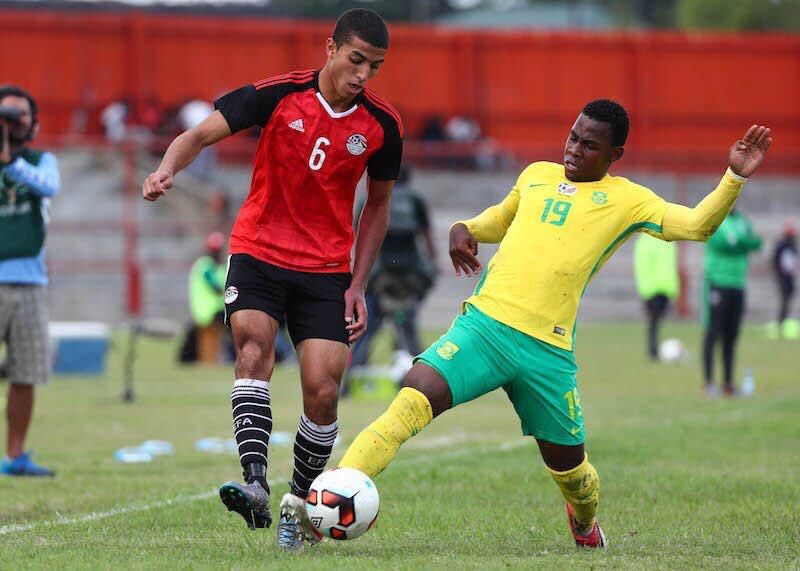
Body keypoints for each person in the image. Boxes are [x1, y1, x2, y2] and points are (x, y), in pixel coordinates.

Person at [338, 100, 772, 549]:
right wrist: (464, 226)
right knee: (413, 394)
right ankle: (332, 495)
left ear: (613, 156)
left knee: (573, 472)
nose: (574, 150)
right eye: (573, 137)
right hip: (484, 327)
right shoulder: (536, 176)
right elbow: (499, 219)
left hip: (547, 352)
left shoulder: (629, 199)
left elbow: (698, 226)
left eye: (590, 145)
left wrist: (734, 176)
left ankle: (584, 524)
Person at [141, 9, 402, 550]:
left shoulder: (383, 126)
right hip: (258, 251)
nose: (362, 75)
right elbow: (199, 134)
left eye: (374, 66)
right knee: (254, 347)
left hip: (327, 269)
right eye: (356, 60)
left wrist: (357, 284)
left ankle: (299, 508)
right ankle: (256, 483)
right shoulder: (277, 94)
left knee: (323, 389)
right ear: (330, 47)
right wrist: (168, 169)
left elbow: (377, 207)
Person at [0, 85, 60, 477]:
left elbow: (48, 186)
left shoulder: (42, 160)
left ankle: (15, 456)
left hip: (30, 283)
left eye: (18, 115)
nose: (12, 122)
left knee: (25, 373)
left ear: (33, 124)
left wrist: (8, 162)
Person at [347, 164, 437, 378]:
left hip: (378, 275)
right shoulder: (415, 200)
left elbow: (357, 234)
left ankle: (351, 377)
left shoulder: (370, 199)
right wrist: (432, 265)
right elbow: (427, 236)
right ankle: (421, 378)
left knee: (367, 328)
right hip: (408, 276)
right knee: (408, 327)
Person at [702, 209, 762, 396]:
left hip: (738, 284)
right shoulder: (715, 219)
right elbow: (721, 243)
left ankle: (728, 383)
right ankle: (709, 383)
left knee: (731, 335)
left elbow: (756, 242)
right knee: (713, 333)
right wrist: (742, 243)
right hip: (717, 283)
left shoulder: (743, 221)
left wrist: (738, 241)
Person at [633, 233, 679, 360]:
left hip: (664, 286)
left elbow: (670, 264)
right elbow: (642, 264)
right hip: (652, 287)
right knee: (654, 320)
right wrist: (646, 286)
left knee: (657, 320)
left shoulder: (668, 239)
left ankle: (654, 349)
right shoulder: (647, 240)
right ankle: (652, 350)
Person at [187, 231, 228, 365]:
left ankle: (220, 357)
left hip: (215, 311)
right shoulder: (205, 265)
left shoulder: (217, 267)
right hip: (208, 312)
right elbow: (216, 288)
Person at [772, 223, 797, 336]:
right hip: (783, 277)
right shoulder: (781, 245)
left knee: (788, 299)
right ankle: (780, 323)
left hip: (789, 277)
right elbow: (776, 261)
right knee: (785, 299)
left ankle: (783, 322)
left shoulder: (793, 246)